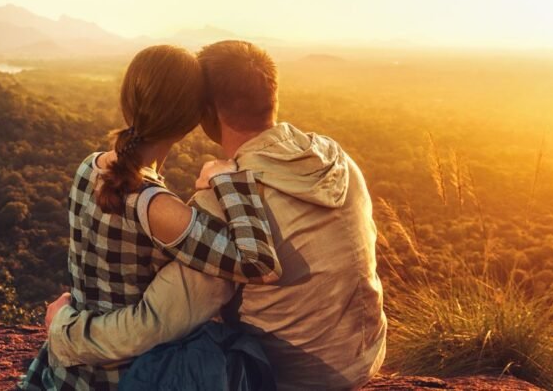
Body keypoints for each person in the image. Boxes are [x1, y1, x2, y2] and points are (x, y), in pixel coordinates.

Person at [46, 41, 387, 390]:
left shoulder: (224, 203)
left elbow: (156, 323)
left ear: (204, 111)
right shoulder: (337, 159)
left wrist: (65, 331)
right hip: (366, 355)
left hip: (288, 377)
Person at [19, 45, 284, 390]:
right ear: (193, 121)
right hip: (126, 376)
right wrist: (228, 180)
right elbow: (258, 263)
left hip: (66, 370)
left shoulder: (89, 166)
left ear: (128, 101)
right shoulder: (157, 207)